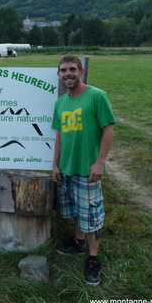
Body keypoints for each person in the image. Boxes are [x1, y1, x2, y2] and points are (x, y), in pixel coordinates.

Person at [51, 54, 116, 287]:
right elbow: (59, 136)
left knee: (92, 215)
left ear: (81, 72)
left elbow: (108, 130)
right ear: (59, 75)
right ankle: (78, 243)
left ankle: (93, 258)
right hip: (67, 167)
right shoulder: (60, 103)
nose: (68, 74)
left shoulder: (97, 96)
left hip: (88, 169)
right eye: (63, 70)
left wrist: (100, 162)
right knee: (79, 210)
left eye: (72, 69)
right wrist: (55, 164)